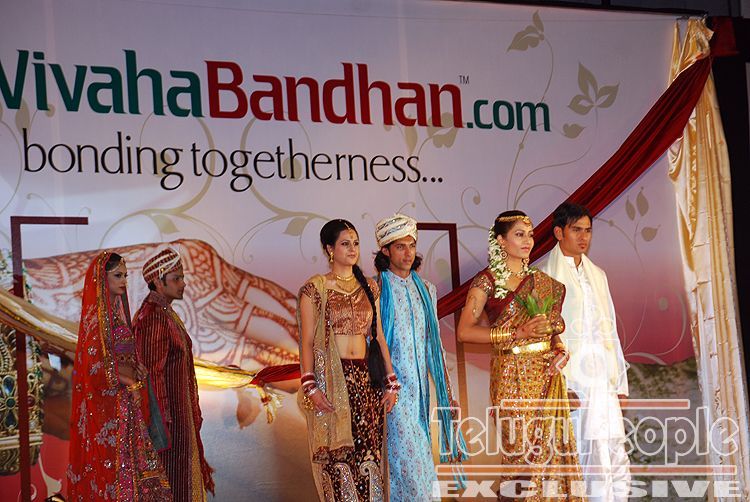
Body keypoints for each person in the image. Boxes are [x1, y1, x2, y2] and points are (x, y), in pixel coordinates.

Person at [456, 211, 584, 500]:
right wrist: (515, 333)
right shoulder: (487, 281)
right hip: (511, 376)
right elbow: (464, 331)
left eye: (530, 234)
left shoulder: (541, 281)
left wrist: (561, 351)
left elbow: (551, 333)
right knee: (519, 456)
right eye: (519, 234)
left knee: (551, 452)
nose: (528, 240)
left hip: (545, 376)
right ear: (501, 241)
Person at [298, 219, 399, 501]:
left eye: (355, 243)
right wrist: (310, 386)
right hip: (334, 382)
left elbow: (378, 336)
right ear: (329, 249)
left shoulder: (369, 287)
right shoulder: (315, 289)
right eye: (345, 243)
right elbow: (306, 341)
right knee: (340, 459)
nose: (353, 249)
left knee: (370, 455)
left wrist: (391, 382)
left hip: (367, 382)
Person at [538, 202, 630, 501]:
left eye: (588, 230)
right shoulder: (543, 276)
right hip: (573, 383)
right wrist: (559, 385)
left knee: (613, 451)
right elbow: (543, 341)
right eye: (576, 230)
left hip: (603, 380)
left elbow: (610, 329)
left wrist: (620, 384)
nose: (583, 237)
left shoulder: (598, 275)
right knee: (581, 454)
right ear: (558, 232)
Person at [373, 213, 465, 500]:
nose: (408, 253)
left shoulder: (426, 289)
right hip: (393, 391)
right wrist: (387, 383)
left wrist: (448, 393)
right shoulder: (376, 289)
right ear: (385, 251)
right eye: (400, 246)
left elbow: (433, 345)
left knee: (416, 460)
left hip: (421, 393)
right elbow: (373, 342)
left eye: (411, 245)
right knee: (409, 463)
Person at [68, 251, 171, 501]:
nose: (124, 281)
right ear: (101, 280)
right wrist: (129, 381)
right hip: (112, 408)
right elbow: (94, 366)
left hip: (126, 404)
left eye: (125, 275)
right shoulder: (96, 320)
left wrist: (138, 369)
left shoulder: (116, 315)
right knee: (117, 473)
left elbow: (121, 356)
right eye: (117, 276)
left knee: (136, 472)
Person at [133, 247, 214, 501]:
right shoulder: (152, 317)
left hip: (178, 419)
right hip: (167, 427)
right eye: (176, 278)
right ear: (158, 282)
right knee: (171, 486)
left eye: (182, 278)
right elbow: (150, 375)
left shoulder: (164, 312)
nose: (183, 283)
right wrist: (161, 425)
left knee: (181, 484)